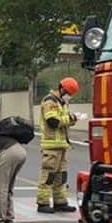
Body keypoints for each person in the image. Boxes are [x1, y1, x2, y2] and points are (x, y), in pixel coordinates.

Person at [37, 76, 79, 213]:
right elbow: (53, 122)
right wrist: (70, 119)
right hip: (51, 146)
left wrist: (72, 119)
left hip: (61, 145)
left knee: (61, 175)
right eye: (68, 94)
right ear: (61, 89)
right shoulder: (50, 102)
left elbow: (63, 121)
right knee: (48, 175)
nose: (69, 97)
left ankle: (60, 202)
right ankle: (42, 203)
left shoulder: (61, 103)